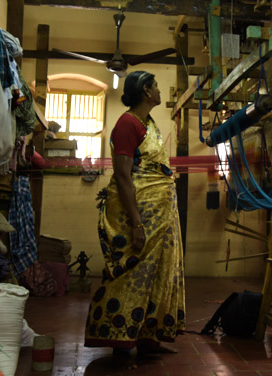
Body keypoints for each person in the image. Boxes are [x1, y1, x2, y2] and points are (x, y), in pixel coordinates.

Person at [83, 71, 185, 369]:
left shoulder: (148, 124)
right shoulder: (127, 124)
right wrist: (137, 223)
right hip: (140, 217)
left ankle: (147, 338)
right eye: (155, 86)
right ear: (144, 90)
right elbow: (125, 177)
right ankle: (119, 343)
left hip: (161, 218)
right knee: (131, 274)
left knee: (159, 273)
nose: (159, 90)